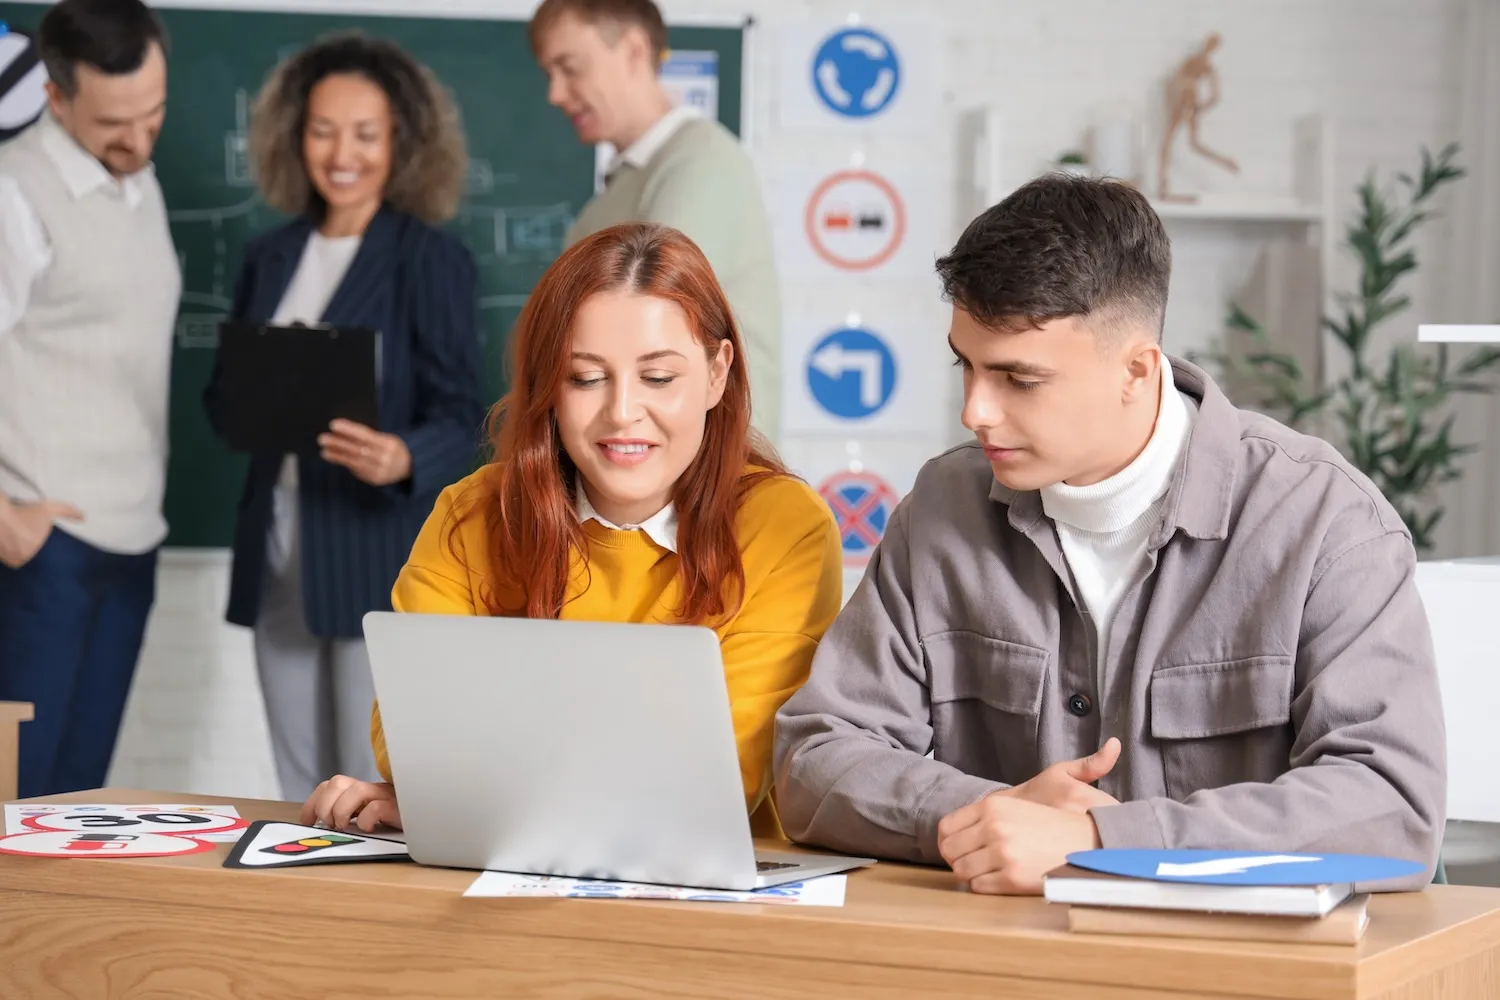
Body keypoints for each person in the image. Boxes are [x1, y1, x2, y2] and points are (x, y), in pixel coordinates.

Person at [773, 174, 1447, 895]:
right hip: (1006, 949)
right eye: (965, 366)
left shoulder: (1326, 523)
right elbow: (815, 758)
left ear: (1136, 370)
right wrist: (984, 817)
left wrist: (1102, 841)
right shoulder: (942, 509)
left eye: (1018, 379)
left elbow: (1391, 808)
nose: (975, 411)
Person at [300, 222, 842, 836]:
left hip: (697, 877)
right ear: (549, 386)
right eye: (586, 378)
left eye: (658, 378)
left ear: (718, 373)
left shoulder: (785, 527)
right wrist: (437, 788)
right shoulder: (471, 513)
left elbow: (717, 775)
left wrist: (458, 792)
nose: (622, 413)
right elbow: (413, 735)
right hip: (485, 869)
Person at [203, 32, 486, 803]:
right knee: (296, 781)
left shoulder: (429, 259)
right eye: (323, 131)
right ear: (295, 137)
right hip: (276, 540)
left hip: (373, 547)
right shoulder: (269, 256)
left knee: (366, 780)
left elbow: (464, 413)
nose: (342, 154)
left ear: (402, 143)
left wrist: (404, 455)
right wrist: (248, 396)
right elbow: (222, 398)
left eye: (366, 134)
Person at [0, 0, 178, 798]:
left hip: (133, 538)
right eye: (114, 123)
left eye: (153, 112)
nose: (138, 140)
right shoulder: (15, 194)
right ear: (55, 96)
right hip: (43, 550)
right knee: (14, 800)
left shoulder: (140, 180)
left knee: (76, 807)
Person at [529, 0, 783, 443]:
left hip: (707, 469)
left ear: (633, 50)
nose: (555, 94)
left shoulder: (702, 163)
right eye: (549, 74)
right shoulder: (615, 194)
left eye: (570, 68)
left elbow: (647, 319)